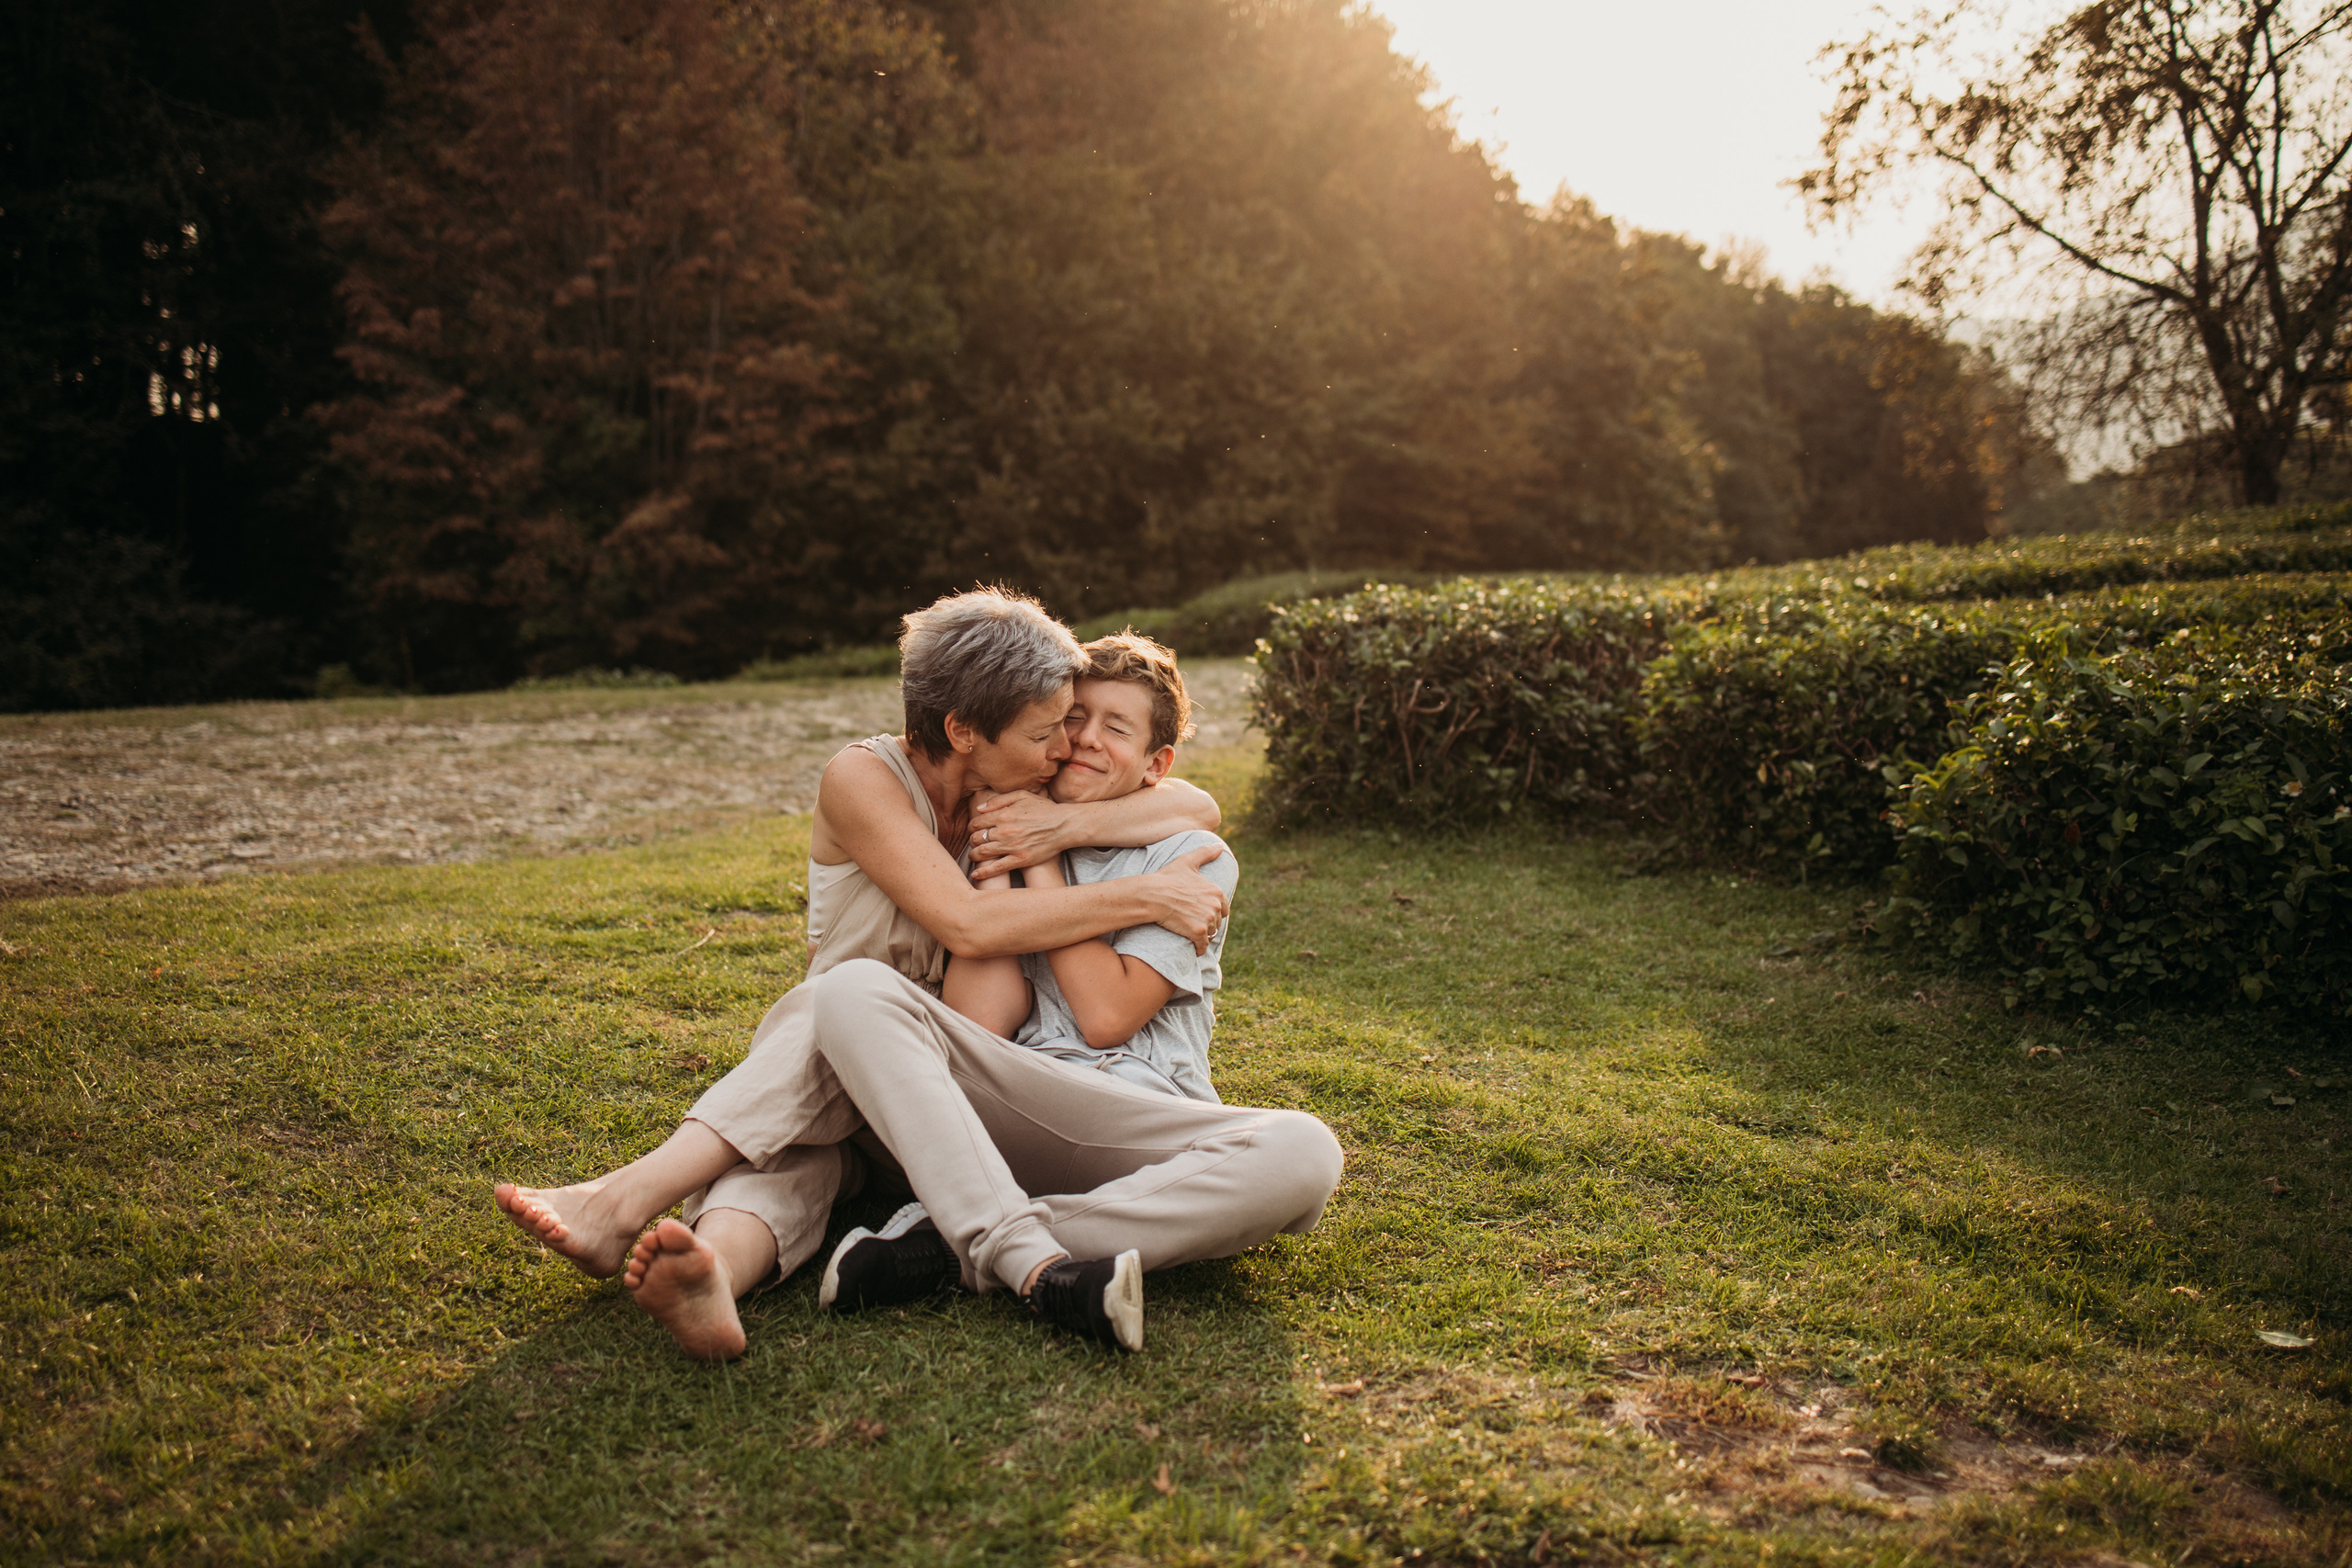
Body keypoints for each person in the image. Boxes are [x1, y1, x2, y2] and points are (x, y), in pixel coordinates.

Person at [492, 588, 1230, 1359]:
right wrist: (1142, 893)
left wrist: (1063, 825)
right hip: (824, 1060)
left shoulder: (1014, 792)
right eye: (1048, 732)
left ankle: (622, 1203)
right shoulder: (864, 778)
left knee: (820, 1077)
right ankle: (710, 1266)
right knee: (797, 1137)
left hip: (927, 1071)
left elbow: (1194, 804)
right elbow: (969, 925)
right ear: (964, 730)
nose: (1061, 750)